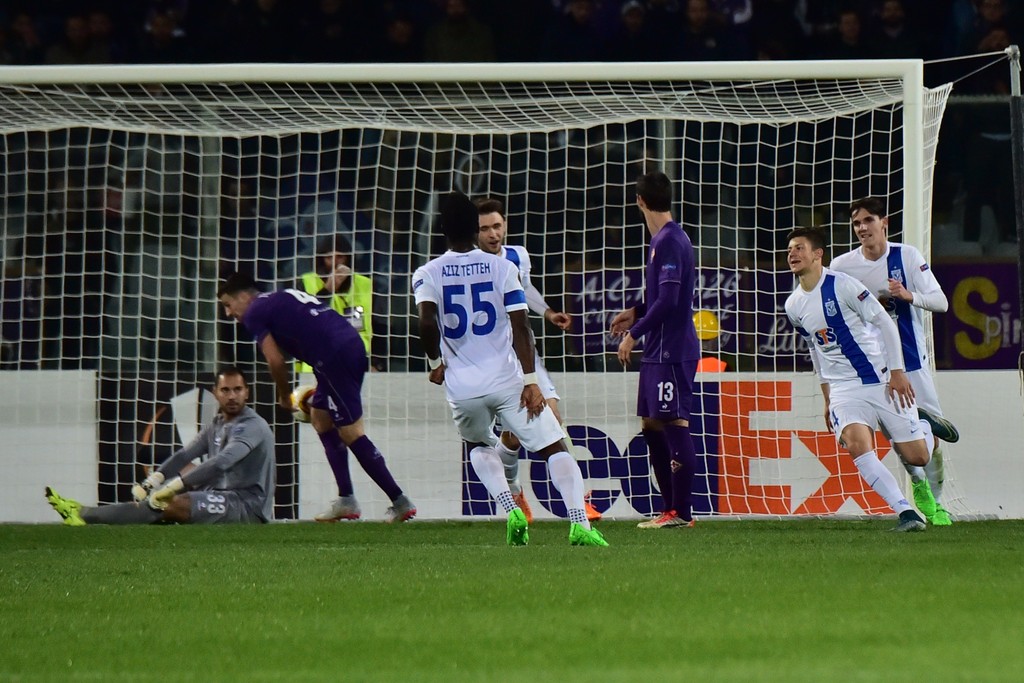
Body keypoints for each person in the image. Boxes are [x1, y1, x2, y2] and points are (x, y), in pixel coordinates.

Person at [414, 191, 608, 547]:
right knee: (554, 446)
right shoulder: (503, 267)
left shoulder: (427, 272)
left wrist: (434, 362)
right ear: (476, 227)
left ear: (442, 229)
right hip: (506, 380)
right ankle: (579, 524)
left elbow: (426, 323)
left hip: (462, 385)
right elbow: (521, 327)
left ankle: (510, 507)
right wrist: (531, 381)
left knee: (477, 444)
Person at [217, 272, 415, 523]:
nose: (228, 313)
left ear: (243, 296)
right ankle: (346, 500)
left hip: (333, 357)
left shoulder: (255, 311)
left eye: (227, 305)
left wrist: (284, 397)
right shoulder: (280, 294)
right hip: (345, 346)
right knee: (321, 420)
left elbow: (275, 361)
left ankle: (400, 501)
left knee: (351, 432)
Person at [783, 226, 932, 532]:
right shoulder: (793, 305)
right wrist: (827, 398)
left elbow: (885, 324)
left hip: (879, 378)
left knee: (918, 457)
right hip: (843, 388)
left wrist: (897, 372)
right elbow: (816, 351)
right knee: (856, 445)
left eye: (799, 248)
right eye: (790, 250)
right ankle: (906, 513)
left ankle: (926, 424)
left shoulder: (844, 285)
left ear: (817, 255)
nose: (792, 254)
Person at [830, 197, 960, 525]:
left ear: (883, 222)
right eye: (857, 223)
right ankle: (921, 488)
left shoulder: (907, 256)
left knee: (932, 446)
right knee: (901, 441)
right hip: (872, 368)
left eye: (868, 220)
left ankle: (939, 501)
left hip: (911, 361)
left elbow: (942, 302)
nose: (862, 228)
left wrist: (907, 296)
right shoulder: (842, 266)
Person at [476, 197, 601, 524]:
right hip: (494, 361)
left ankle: (578, 500)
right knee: (514, 436)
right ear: (474, 233)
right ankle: (515, 491)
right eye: (485, 228)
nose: (493, 233)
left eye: (497, 226)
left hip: (525, 353)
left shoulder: (517, 256)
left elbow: (525, 288)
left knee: (552, 415)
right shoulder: (469, 265)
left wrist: (547, 312)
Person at [45, 367, 275, 525]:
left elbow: (222, 462)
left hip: (246, 505)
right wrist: (153, 480)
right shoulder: (217, 424)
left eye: (238, 390)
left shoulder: (252, 425)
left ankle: (84, 514)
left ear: (247, 392)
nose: (232, 396)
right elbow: (185, 454)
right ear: (215, 393)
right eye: (226, 390)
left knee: (169, 504)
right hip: (219, 495)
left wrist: (174, 486)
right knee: (159, 501)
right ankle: (83, 511)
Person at [610, 170, 701, 529]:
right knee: (651, 426)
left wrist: (634, 333)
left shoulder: (669, 241)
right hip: (658, 351)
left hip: (672, 350)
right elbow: (662, 300)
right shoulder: (663, 239)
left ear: (640, 202)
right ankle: (669, 510)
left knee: (674, 424)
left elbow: (669, 300)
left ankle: (681, 513)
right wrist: (636, 310)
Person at [296, 233, 373, 369]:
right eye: (329, 257)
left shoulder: (365, 284)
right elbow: (306, 321)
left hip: (355, 362)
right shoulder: (306, 282)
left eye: (340, 257)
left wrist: (374, 362)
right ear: (321, 259)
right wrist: (328, 289)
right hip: (316, 364)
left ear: (348, 258)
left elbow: (376, 324)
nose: (335, 262)